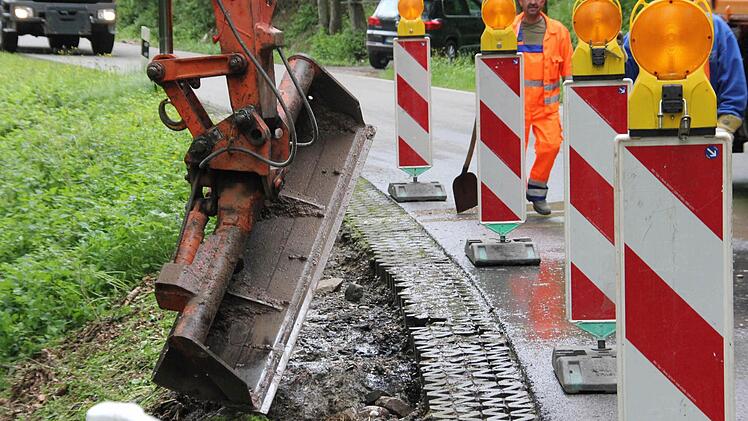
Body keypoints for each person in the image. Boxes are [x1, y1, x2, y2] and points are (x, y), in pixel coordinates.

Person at [622, 13, 747, 139]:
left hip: (706, 134)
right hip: (646, 134)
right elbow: (622, 86)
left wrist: (722, 130)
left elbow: (734, 95)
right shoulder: (640, 29)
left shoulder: (717, 30)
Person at [512, 0, 573, 215]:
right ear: (520, 1)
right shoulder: (509, 30)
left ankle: (537, 192)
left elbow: (569, 74)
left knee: (551, 146)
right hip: (516, 106)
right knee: (511, 151)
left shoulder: (559, 33)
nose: (533, 2)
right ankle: (512, 196)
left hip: (546, 107)